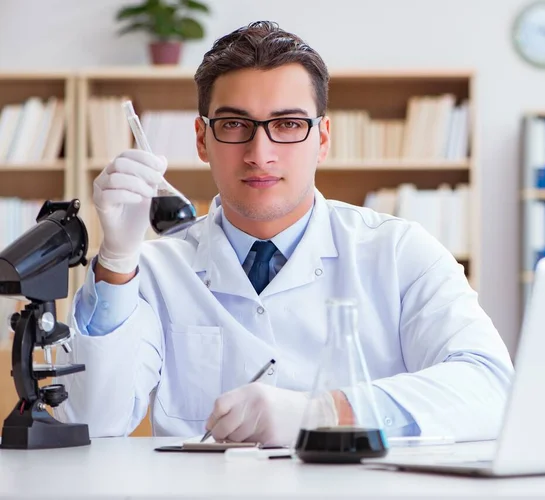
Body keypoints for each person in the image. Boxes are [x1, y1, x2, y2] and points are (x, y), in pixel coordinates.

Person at [55, 21, 513, 446]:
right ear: (202, 139)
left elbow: (491, 387)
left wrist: (330, 412)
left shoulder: (399, 252)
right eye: (235, 125)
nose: (261, 153)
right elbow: (92, 422)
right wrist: (115, 260)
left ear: (323, 138)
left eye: (288, 125)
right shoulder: (155, 269)